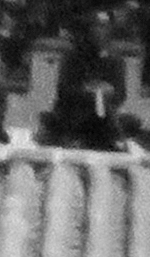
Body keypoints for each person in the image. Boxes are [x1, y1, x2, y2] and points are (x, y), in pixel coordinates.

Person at [43, 10, 128, 151]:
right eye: (97, 26)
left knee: (129, 122)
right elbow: (63, 91)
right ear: (89, 29)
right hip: (76, 112)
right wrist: (87, 90)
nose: (101, 31)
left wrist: (109, 91)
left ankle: (110, 139)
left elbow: (121, 94)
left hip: (104, 113)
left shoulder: (115, 60)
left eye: (105, 26)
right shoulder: (73, 57)